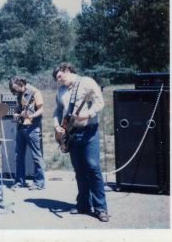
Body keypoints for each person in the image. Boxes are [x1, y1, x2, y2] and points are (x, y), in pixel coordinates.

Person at [52, 62, 109, 222]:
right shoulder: (61, 90)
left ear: (67, 70)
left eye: (60, 77)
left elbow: (99, 103)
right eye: (58, 79)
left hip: (89, 131)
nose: (59, 81)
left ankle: (100, 208)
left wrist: (88, 115)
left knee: (93, 167)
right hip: (71, 134)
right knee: (79, 170)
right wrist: (57, 126)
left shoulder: (86, 82)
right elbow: (57, 111)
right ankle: (83, 204)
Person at [9, 75, 45, 190]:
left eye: (17, 88)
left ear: (21, 83)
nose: (16, 91)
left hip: (32, 127)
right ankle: (19, 181)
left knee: (36, 155)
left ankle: (39, 183)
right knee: (18, 155)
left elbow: (41, 110)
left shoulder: (35, 92)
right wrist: (16, 113)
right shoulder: (20, 94)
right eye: (14, 89)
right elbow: (18, 108)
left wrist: (31, 116)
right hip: (21, 127)